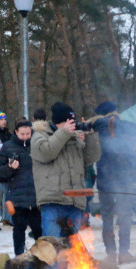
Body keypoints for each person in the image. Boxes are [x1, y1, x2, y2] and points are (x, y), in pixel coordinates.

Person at [31, 102, 101, 239]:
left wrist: (90, 136)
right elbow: (46, 153)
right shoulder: (40, 135)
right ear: (58, 122)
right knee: (53, 247)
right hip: (52, 202)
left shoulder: (74, 139)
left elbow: (91, 158)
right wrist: (63, 133)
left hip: (75, 202)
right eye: (68, 122)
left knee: (73, 252)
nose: (72, 126)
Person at [94, 101, 136, 263]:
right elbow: (133, 153)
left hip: (105, 180)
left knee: (107, 217)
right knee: (125, 215)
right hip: (123, 180)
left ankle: (111, 253)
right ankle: (124, 253)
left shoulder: (97, 128)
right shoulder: (125, 126)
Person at [0, 120, 41, 255]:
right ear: (16, 132)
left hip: (35, 195)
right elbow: (0, 170)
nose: (26, 136)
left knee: (38, 229)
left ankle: (42, 257)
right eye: (22, 134)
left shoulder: (36, 145)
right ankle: (19, 256)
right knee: (19, 229)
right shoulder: (7, 147)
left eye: (28, 133)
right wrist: (10, 168)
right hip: (16, 196)